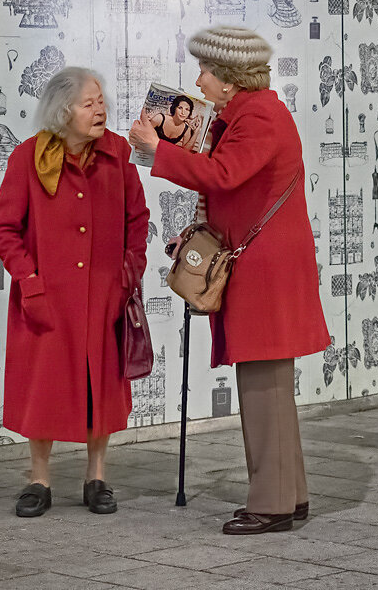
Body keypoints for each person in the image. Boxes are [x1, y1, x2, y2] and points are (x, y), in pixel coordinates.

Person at [129, 26, 329, 535]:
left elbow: (222, 176)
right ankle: (290, 495)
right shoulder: (247, 114)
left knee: (263, 381)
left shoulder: (258, 115)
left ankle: (273, 504)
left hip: (267, 268)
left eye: (205, 71)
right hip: (264, 262)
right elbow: (231, 185)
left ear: (228, 79)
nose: (197, 79)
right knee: (269, 383)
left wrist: (157, 149)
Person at [0, 67, 149, 518]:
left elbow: (138, 219)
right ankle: (38, 481)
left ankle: (96, 477)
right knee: (43, 388)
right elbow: (4, 229)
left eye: (101, 100)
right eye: (88, 103)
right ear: (64, 112)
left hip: (105, 295)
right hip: (46, 298)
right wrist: (29, 282)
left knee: (101, 384)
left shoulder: (118, 152)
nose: (101, 110)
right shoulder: (27, 158)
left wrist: (128, 272)